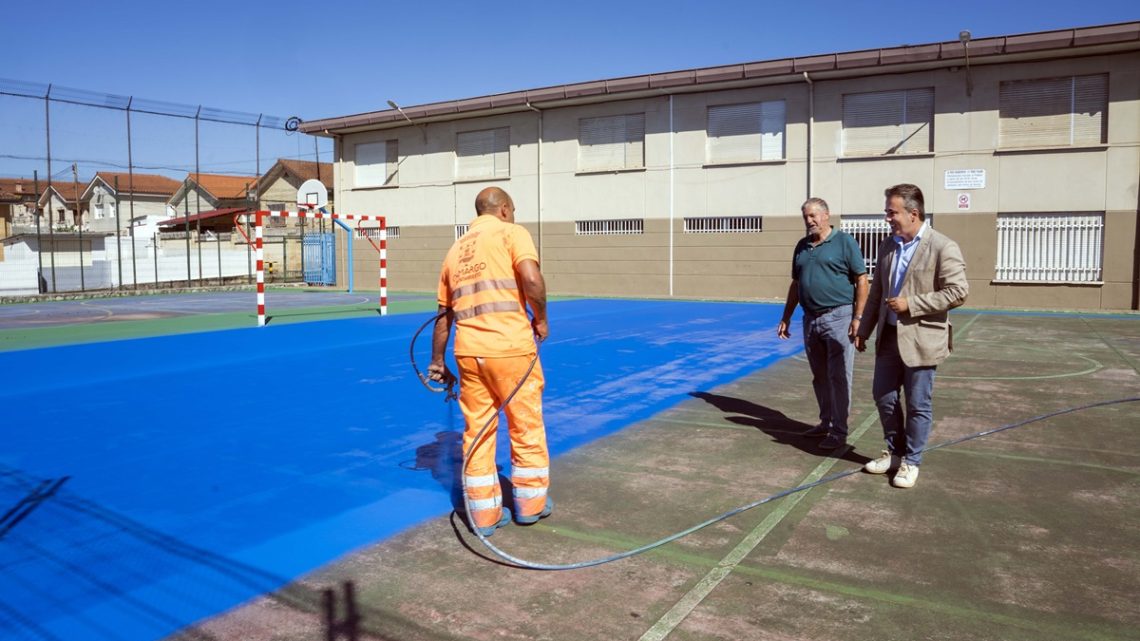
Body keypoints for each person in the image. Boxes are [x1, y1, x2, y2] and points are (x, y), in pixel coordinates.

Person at [428, 187, 553, 536]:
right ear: (503, 210)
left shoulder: (454, 251)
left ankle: (484, 517)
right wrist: (541, 319)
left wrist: (438, 360)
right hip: (511, 348)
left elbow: (443, 315)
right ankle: (530, 506)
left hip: (469, 352)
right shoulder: (512, 233)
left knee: (478, 433)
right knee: (524, 426)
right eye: (512, 209)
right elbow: (530, 278)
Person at [855, 184, 968, 489]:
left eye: (892, 212)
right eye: (887, 212)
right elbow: (877, 291)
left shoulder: (943, 246)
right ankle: (895, 452)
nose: (887, 218)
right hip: (888, 336)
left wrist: (911, 304)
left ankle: (911, 461)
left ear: (913, 213)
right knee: (884, 396)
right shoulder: (888, 245)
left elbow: (958, 292)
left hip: (922, 338)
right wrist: (863, 329)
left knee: (918, 403)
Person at [778, 198, 869, 450]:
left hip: (839, 317)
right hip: (810, 320)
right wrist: (786, 317)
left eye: (813, 216)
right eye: (806, 217)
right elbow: (796, 284)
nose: (809, 221)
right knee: (820, 377)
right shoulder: (802, 246)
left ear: (826, 215)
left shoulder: (844, 242)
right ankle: (825, 422)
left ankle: (839, 432)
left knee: (839, 376)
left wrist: (857, 318)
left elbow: (862, 280)